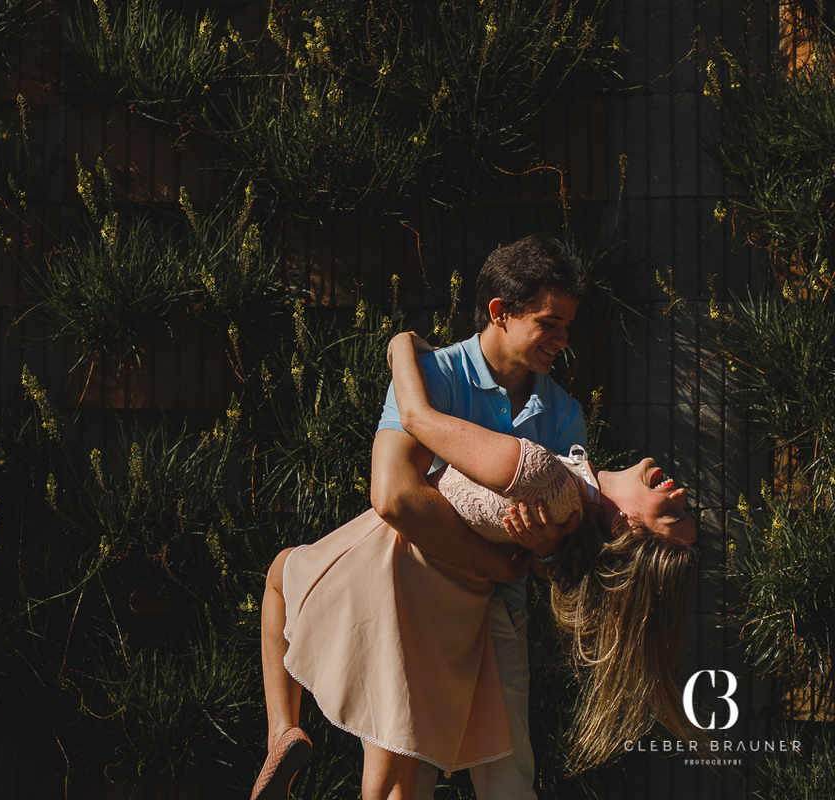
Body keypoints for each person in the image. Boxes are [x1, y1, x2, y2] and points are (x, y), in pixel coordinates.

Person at [249, 236, 699, 800]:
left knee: (440, 771)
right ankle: (280, 737)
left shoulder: (553, 415)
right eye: (549, 323)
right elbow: (392, 496)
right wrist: (505, 562)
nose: (563, 340)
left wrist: (540, 555)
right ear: (499, 312)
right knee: (408, 774)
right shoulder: (439, 373)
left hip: (479, 603)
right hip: (414, 586)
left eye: (567, 325)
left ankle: (280, 735)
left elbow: (563, 549)